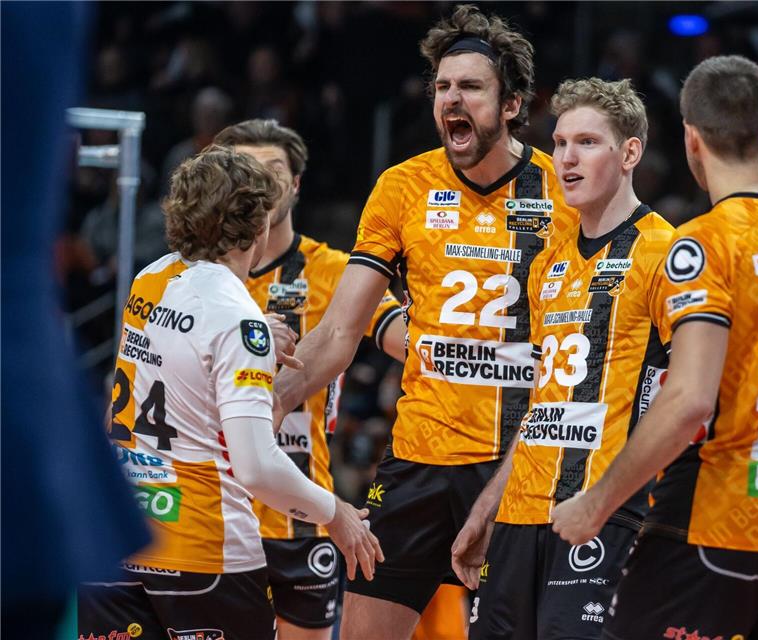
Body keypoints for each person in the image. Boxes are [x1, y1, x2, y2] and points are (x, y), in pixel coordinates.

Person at [272, 5, 575, 638]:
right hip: (419, 460)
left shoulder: (563, 192)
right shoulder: (402, 187)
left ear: (512, 104)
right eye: (442, 86)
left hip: (518, 466)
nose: (450, 99)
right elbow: (337, 333)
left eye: (469, 87)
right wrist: (270, 401)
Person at [552, 55, 758, 640]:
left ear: (691, 138)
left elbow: (689, 402)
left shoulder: (701, 243)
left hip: (713, 522)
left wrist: (596, 502)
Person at [78, 147, 382, 640]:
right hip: (203, 550)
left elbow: (183, 345)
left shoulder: (150, 278)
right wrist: (336, 513)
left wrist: (253, 334)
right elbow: (256, 466)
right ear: (257, 226)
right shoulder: (239, 322)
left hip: (117, 537)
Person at [451, 78, 674, 639]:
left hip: (606, 515)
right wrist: (487, 510)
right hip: (519, 517)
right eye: (559, 143)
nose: (566, 159)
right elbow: (540, 407)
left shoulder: (666, 253)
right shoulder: (546, 265)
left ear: (629, 153)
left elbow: (690, 395)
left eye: (587, 143)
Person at [212, 119, 406, 640]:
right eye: (248, 170)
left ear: (296, 184)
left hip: (300, 514)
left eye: (275, 170)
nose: (263, 182)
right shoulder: (196, 278)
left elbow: (406, 339)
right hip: (212, 512)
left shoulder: (333, 271)